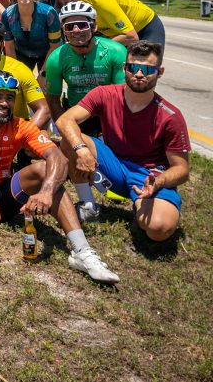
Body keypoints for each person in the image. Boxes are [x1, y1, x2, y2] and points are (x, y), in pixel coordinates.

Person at [0, 70, 119, 284]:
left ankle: (82, 251)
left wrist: (45, 192)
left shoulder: (21, 126)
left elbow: (58, 158)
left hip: (4, 197)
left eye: (9, 97)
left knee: (46, 170)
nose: (4, 103)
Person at [56, 41, 189, 240]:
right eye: (133, 67)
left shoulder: (170, 116)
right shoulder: (104, 94)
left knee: (159, 230)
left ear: (159, 72)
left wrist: (159, 182)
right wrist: (82, 150)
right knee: (71, 138)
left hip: (148, 175)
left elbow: (182, 169)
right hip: (112, 164)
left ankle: (143, 207)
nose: (139, 74)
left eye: (147, 69)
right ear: (125, 68)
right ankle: (88, 205)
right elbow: (65, 119)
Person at [43, 2, 126, 133]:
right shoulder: (56, 58)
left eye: (82, 25)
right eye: (69, 27)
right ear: (64, 31)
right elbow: (53, 100)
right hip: (75, 115)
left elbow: (124, 96)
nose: (76, 30)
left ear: (94, 27)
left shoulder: (116, 51)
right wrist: (66, 131)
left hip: (108, 113)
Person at [1, 0, 61, 74]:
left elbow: (55, 46)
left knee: (46, 86)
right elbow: (9, 46)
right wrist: (15, 72)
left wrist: (43, 74)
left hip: (48, 53)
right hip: (22, 52)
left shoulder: (48, 13)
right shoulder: (7, 15)